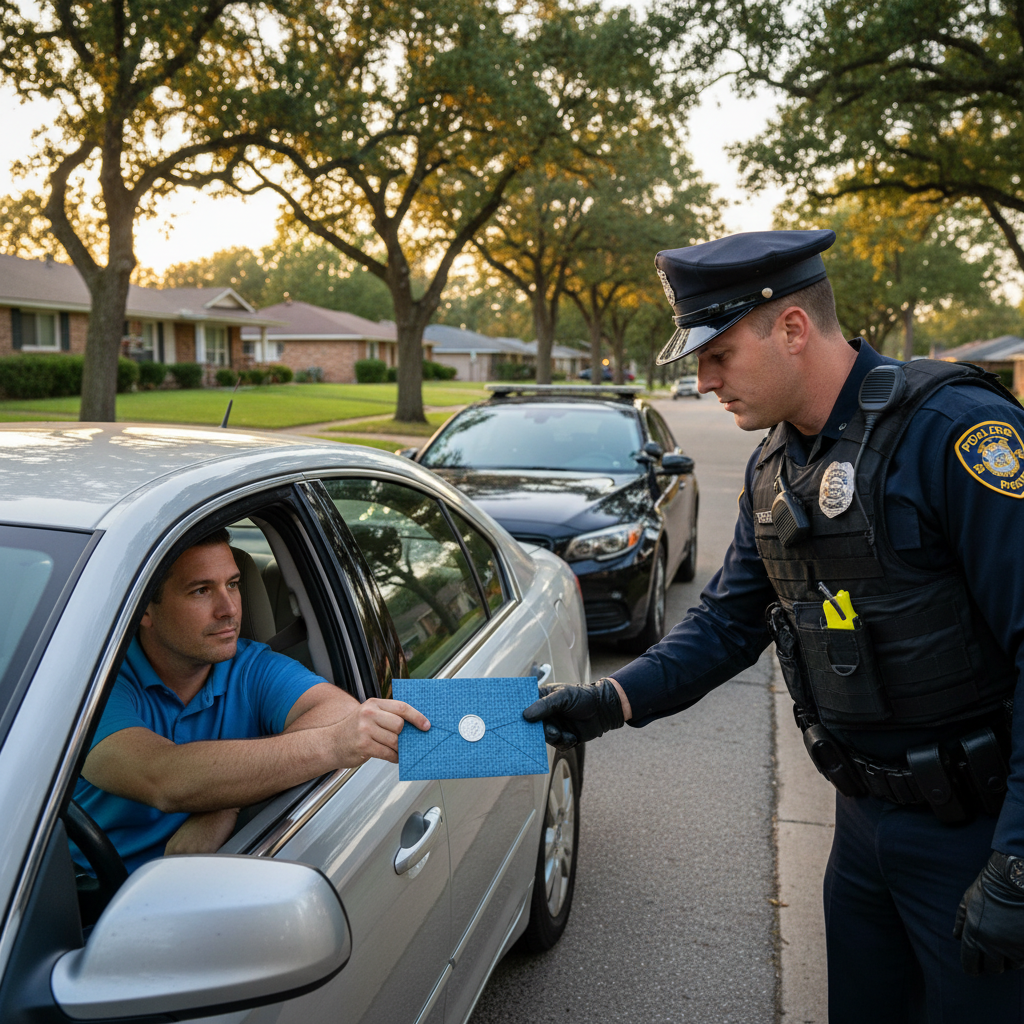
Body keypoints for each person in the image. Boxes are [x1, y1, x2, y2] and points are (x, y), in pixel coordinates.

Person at [524, 229, 1024, 1023]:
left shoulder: (953, 432)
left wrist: (1018, 861)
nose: (702, 379)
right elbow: (727, 620)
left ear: (791, 328)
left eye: (717, 353)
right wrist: (614, 700)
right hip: (861, 828)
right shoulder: (775, 465)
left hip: (978, 832)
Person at [74, 528, 429, 872]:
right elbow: (161, 776)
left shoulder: (250, 666)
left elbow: (340, 712)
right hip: (90, 897)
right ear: (145, 610)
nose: (228, 609)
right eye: (200, 591)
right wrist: (335, 743)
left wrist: (226, 806)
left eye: (233, 584)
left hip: (206, 883)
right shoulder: (96, 686)